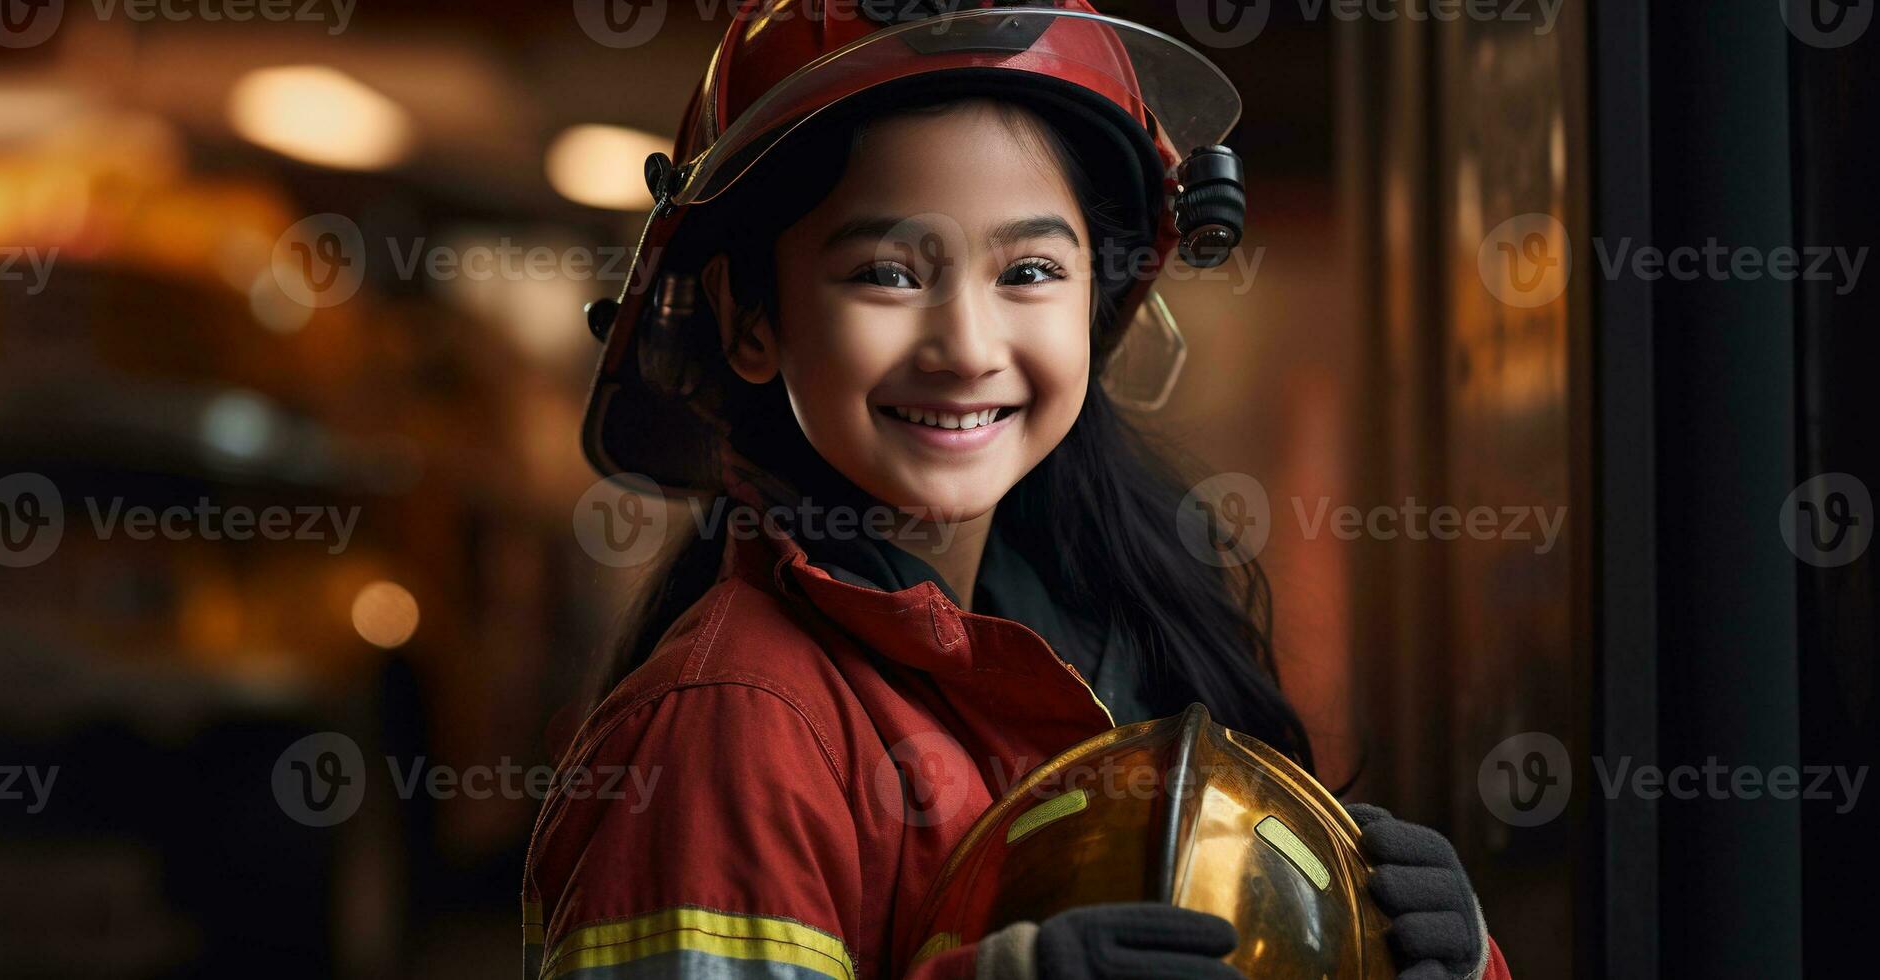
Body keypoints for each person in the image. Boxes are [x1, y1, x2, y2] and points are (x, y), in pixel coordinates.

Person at [526, 4, 1509, 978]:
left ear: (1098, 299)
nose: (965, 346)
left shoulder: (1119, 638)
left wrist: (1397, 951)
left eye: (1029, 269)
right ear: (750, 320)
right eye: (886, 272)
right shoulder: (735, 724)